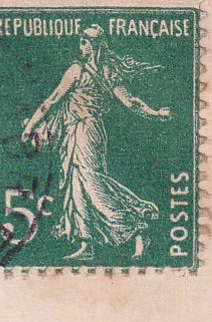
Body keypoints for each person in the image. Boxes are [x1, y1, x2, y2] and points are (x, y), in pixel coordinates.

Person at [21, 25, 171, 261]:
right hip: (76, 131)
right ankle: (86, 243)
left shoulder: (79, 71)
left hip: (86, 131)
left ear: (92, 45)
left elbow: (52, 101)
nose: (80, 46)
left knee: (91, 183)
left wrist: (30, 127)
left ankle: (135, 228)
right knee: (76, 184)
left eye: (84, 42)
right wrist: (156, 114)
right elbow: (131, 102)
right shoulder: (100, 71)